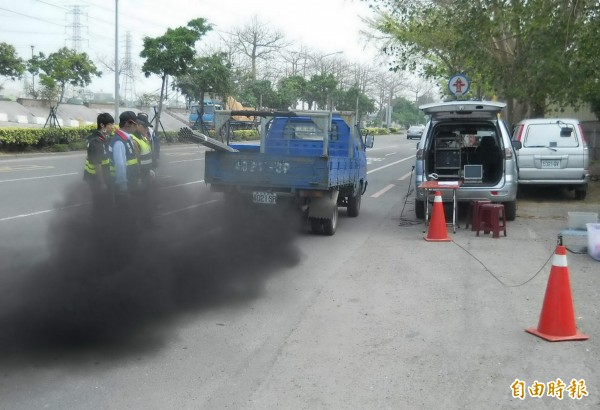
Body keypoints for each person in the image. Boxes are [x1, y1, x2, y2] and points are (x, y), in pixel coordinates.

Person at [108, 111, 140, 207]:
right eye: (135, 124)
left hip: (131, 182)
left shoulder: (126, 139)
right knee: (125, 211)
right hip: (126, 186)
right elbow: (120, 165)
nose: (136, 126)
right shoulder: (119, 142)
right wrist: (123, 186)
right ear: (127, 123)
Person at [83, 113, 114, 211]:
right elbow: (97, 164)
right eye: (110, 124)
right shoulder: (96, 141)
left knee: (103, 203)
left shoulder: (103, 138)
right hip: (97, 180)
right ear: (102, 125)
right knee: (100, 205)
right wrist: (102, 183)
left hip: (102, 178)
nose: (112, 127)